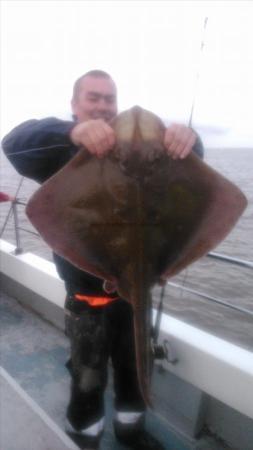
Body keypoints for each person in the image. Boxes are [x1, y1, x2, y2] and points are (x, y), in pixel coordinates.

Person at [2, 70, 204, 450]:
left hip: (136, 293)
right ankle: (84, 436)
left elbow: (197, 176)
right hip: (88, 300)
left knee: (133, 370)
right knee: (88, 376)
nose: (102, 106)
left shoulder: (151, 150)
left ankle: (131, 430)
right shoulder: (60, 151)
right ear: (75, 105)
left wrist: (189, 142)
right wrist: (70, 134)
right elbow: (14, 142)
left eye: (109, 99)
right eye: (92, 98)